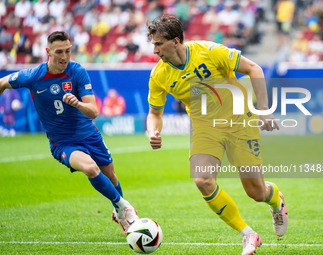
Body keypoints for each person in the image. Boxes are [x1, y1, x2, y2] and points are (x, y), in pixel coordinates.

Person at [146, 16, 288, 255]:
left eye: (159, 44)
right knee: (202, 180)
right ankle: (248, 235)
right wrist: (153, 130)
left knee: (256, 192)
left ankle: (275, 200)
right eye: (153, 44)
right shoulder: (159, 75)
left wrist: (263, 110)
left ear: (176, 41)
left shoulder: (210, 51)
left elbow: (254, 69)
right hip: (204, 128)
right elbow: (154, 113)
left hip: (239, 120)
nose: (154, 50)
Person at [0, 31, 138, 235]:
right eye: (59, 52)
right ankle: (124, 208)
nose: (64, 57)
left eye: (68, 51)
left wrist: (78, 103)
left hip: (90, 135)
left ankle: (120, 212)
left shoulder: (77, 71)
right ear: (48, 52)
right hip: (63, 142)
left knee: (112, 177)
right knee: (90, 168)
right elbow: (2, 83)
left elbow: (93, 111)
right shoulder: (33, 75)